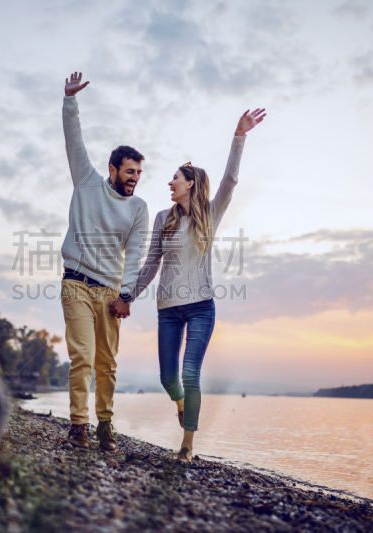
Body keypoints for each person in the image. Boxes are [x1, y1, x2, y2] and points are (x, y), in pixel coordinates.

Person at [114, 107, 266, 463]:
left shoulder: (209, 216)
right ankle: (183, 406)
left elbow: (229, 181)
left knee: (190, 372)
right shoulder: (162, 218)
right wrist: (127, 296)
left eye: (175, 178)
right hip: (167, 309)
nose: (169, 183)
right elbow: (150, 265)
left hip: (200, 306)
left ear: (191, 183)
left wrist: (239, 136)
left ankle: (187, 445)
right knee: (170, 380)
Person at [60, 72, 149, 451]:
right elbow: (73, 140)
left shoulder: (138, 209)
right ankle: (78, 425)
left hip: (109, 291)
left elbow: (136, 257)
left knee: (106, 364)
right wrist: (69, 100)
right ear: (113, 169)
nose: (135, 179)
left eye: (139, 173)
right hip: (76, 283)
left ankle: (105, 426)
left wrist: (126, 295)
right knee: (81, 356)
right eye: (130, 172)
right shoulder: (86, 180)